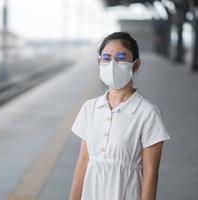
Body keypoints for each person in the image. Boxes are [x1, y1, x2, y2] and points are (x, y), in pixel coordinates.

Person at [69, 32, 170, 200]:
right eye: (106, 58)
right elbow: (83, 163)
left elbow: (151, 174)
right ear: (99, 62)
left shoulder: (147, 113)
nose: (112, 64)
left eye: (121, 58)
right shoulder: (90, 108)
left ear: (136, 65)